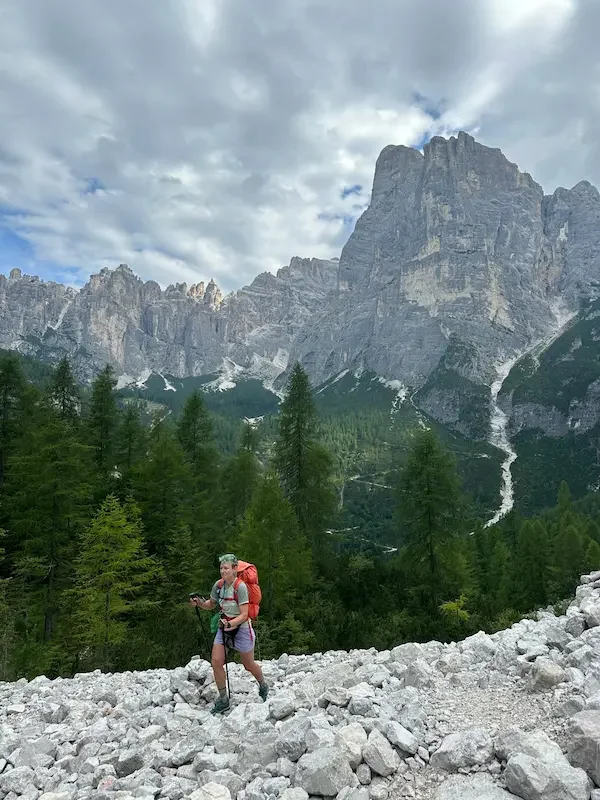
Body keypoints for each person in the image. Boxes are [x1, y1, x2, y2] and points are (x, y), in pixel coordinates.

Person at [190, 553, 268, 714]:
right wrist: (199, 603)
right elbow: (211, 604)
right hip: (224, 627)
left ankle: (263, 684)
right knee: (216, 661)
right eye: (221, 568)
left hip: (241, 629)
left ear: (234, 569)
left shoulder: (240, 587)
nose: (223, 571)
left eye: (226, 568)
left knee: (248, 664)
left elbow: (244, 614)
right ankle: (223, 699)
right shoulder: (218, 586)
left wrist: (230, 623)